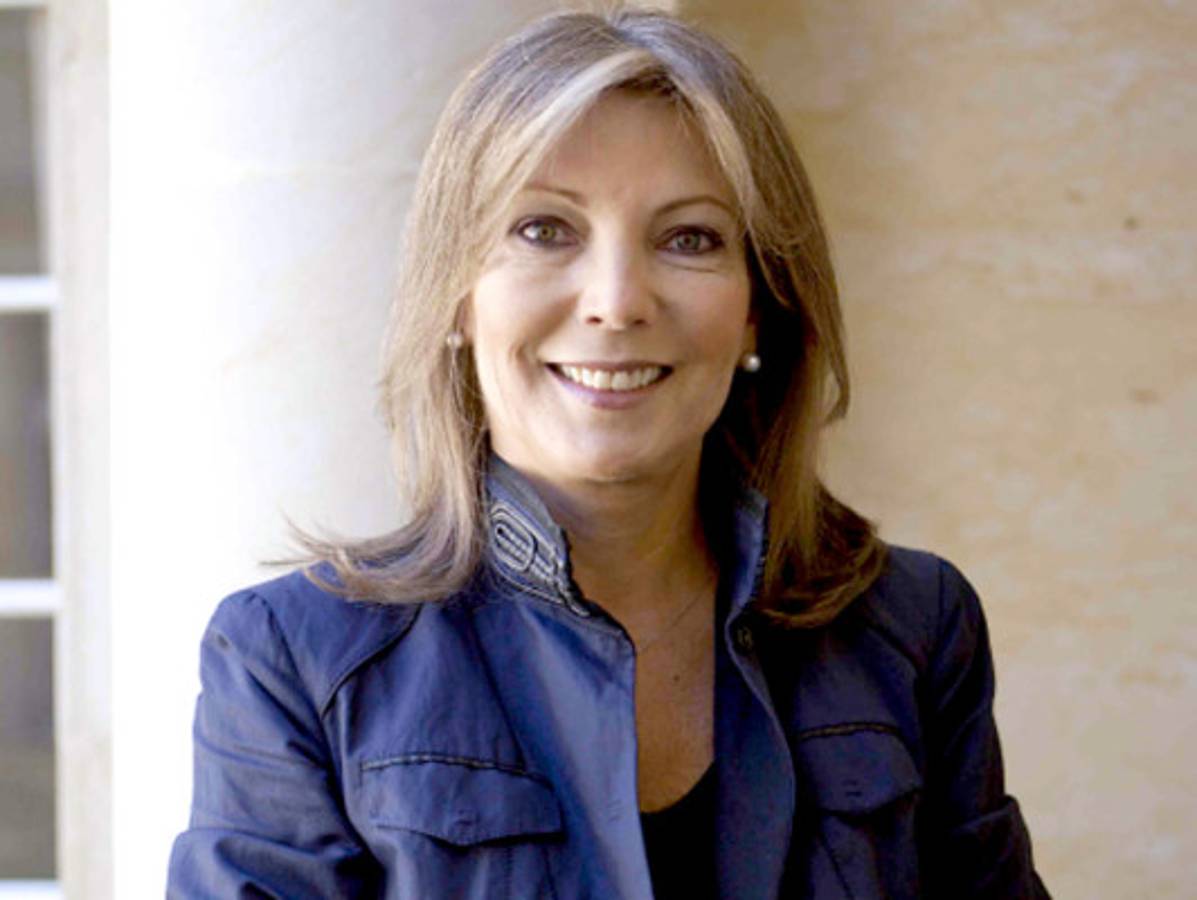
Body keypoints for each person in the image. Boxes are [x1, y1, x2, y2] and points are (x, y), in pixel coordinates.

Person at [167, 7, 1048, 899]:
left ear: (757, 308)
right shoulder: (294, 658)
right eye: (543, 230)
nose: (617, 301)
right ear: (458, 296)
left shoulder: (912, 628)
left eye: (688, 238)